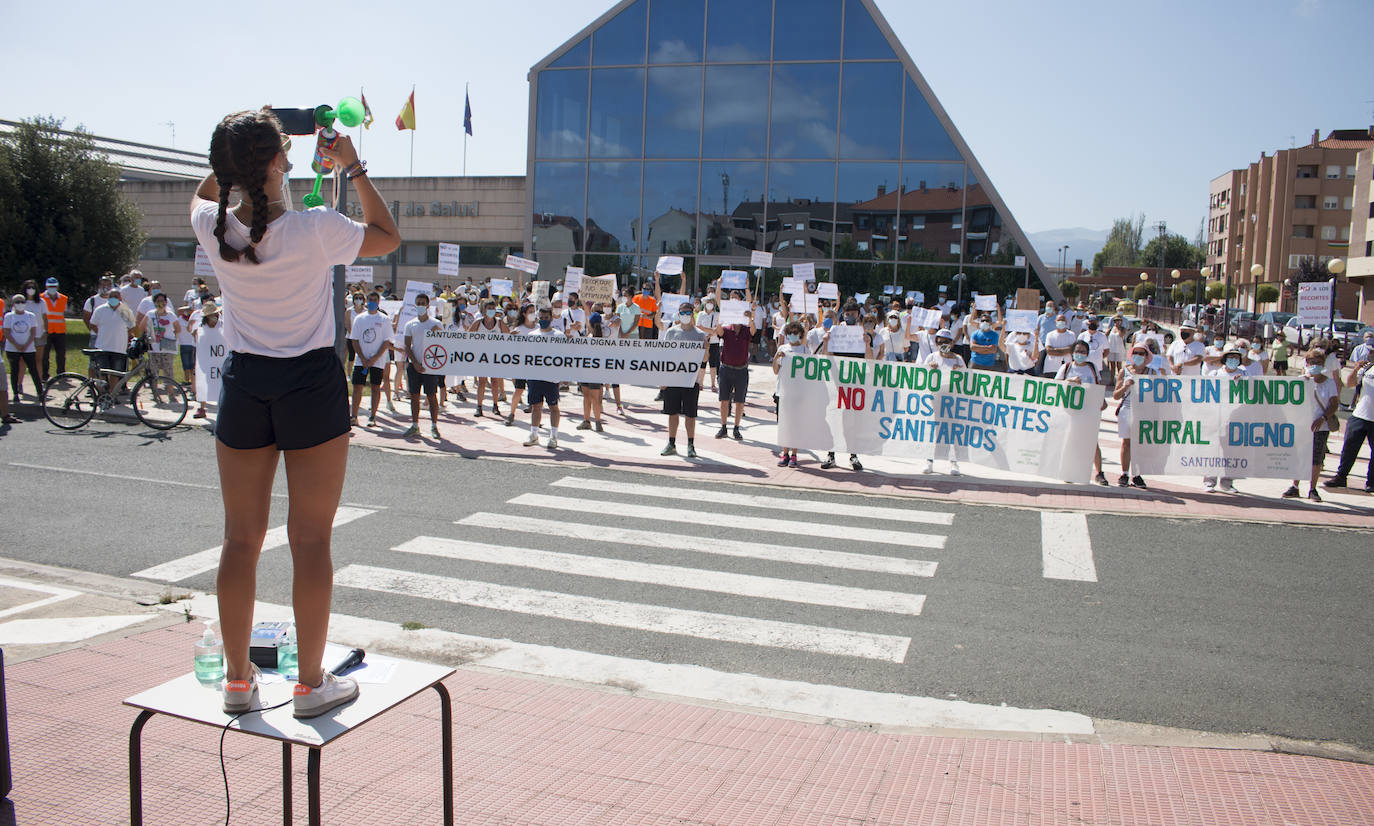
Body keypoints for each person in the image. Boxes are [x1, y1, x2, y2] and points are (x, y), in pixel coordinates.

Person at [190, 107, 399, 717]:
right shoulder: (315, 228)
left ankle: (236, 682)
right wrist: (352, 164)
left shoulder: (212, 224)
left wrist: (238, 150)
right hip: (309, 381)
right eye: (283, 152)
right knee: (310, 540)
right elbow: (387, 234)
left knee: (239, 540)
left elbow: (207, 188)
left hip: (246, 381)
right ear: (282, 163)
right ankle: (309, 683)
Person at [820, 300, 871, 470]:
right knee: (834, 418)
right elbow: (827, 358)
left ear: (858, 315)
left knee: (852, 421)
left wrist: (867, 344)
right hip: (837, 382)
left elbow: (870, 361)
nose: (850, 316)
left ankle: (853, 455)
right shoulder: (835, 331)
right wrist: (827, 342)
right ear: (843, 315)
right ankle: (831, 454)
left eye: (853, 314)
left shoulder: (863, 334)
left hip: (855, 382)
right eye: (847, 314)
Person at [1283, 348, 1339, 502]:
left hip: (1320, 426)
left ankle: (1312, 488)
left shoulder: (1329, 383)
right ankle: (1295, 485)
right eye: (1312, 362)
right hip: (1302, 426)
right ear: (1307, 363)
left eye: (1318, 362)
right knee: (1298, 456)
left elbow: (1334, 404)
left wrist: (1323, 418)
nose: (1315, 365)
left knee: (1316, 459)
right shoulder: (1301, 381)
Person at [1055, 340, 1108, 485]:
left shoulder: (1092, 367)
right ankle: (1068, 471)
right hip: (1071, 411)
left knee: (1092, 442)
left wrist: (1102, 400)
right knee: (1070, 440)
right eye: (1077, 351)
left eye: (1083, 352)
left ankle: (1099, 473)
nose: (1080, 354)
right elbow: (1056, 385)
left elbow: (1098, 385)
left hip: (1089, 409)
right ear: (1072, 353)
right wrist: (1070, 380)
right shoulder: (1066, 368)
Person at [658, 300, 707, 457]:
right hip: (673, 379)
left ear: (692, 314)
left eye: (688, 312)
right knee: (672, 413)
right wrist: (663, 379)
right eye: (682, 312)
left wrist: (705, 347)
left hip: (691, 380)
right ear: (678, 314)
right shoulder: (672, 332)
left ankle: (690, 445)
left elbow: (705, 359)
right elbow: (665, 357)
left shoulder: (699, 335)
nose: (685, 315)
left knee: (690, 414)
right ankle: (671, 443)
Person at [1323, 354, 1374, 493]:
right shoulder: (1368, 368)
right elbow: (1350, 383)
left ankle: (1372, 482)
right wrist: (1356, 368)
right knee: (1349, 449)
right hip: (1360, 415)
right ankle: (1341, 476)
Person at [713, 282, 756, 441]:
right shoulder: (726, 326)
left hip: (741, 369)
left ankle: (736, 428)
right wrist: (718, 322)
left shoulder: (746, 327)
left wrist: (750, 318)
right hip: (725, 368)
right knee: (724, 400)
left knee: (740, 402)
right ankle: (723, 427)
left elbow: (753, 330)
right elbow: (718, 332)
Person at [1203, 347, 1250, 494]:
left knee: (1231, 451)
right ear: (1225, 358)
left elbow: (1252, 393)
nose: (1233, 360)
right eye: (1231, 357)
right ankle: (1209, 481)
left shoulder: (1244, 374)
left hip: (1235, 418)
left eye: (1236, 358)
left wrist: (1243, 383)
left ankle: (1227, 483)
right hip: (1216, 417)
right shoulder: (1215, 374)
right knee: (1213, 450)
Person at [922, 329, 966, 475]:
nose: (943, 345)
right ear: (936, 343)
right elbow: (920, 377)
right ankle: (929, 461)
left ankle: (954, 463)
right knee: (934, 431)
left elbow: (967, 379)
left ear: (952, 343)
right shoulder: (931, 357)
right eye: (940, 342)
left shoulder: (958, 359)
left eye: (946, 342)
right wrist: (929, 369)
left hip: (952, 399)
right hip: (935, 399)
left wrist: (959, 371)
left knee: (951, 431)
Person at [521, 305, 564, 450]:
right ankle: (534, 435)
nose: (544, 320)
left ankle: (553, 436)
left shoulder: (558, 336)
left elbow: (564, 357)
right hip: (534, 377)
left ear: (551, 318)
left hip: (551, 378)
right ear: (538, 318)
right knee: (536, 406)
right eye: (542, 318)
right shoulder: (532, 335)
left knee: (553, 407)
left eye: (547, 318)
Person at [1112, 344, 1154, 488]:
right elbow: (1116, 395)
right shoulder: (1125, 371)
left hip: (1144, 410)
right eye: (1135, 352)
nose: (1138, 356)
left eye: (1141, 353)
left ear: (1146, 356)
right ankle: (1124, 473)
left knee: (1140, 444)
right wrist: (1125, 387)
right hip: (1127, 409)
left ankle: (1136, 474)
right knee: (1127, 442)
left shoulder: (1152, 372)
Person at [402, 293, 444, 439]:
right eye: (418, 303)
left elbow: (442, 343)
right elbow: (407, 346)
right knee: (414, 396)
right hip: (415, 366)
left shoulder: (436, 324)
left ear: (427, 305)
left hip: (430, 367)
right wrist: (415, 363)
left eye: (422, 303)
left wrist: (436, 333)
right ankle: (415, 425)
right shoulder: (410, 324)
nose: (420, 306)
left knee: (431, 396)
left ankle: (434, 425)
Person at [349, 292, 391, 428]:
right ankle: (354, 416)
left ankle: (372, 416)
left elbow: (386, 341)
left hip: (377, 362)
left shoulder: (384, 319)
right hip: (361, 361)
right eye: (370, 300)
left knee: (375, 388)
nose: (372, 302)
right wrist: (362, 357)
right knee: (357, 388)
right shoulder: (360, 319)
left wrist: (375, 358)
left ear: (379, 302)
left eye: (375, 300)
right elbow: (354, 339)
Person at [772, 320, 807, 467]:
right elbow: (775, 370)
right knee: (784, 423)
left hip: (798, 392)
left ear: (800, 334)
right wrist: (776, 357)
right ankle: (784, 453)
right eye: (790, 333)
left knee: (796, 424)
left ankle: (794, 454)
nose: (793, 335)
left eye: (795, 333)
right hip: (783, 391)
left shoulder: (805, 350)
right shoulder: (783, 348)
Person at [469, 298, 507, 418]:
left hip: (496, 357)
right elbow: (467, 337)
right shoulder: (478, 323)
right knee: (482, 381)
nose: (491, 310)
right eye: (489, 308)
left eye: (493, 308)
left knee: (495, 382)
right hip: (482, 357)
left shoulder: (500, 322)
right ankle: (479, 406)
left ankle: (495, 405)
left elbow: (509, 336)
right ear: (484, 310)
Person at [87, 287, 135, 378]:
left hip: (119, 349)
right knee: (102, 374)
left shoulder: (127, 311)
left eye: (116, 296)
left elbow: (132, 327)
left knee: (115, 374)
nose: (114, 298)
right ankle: (102, 392)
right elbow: (92, 324)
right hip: (102, 347)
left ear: (120, 298)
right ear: (108, 297)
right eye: (111, 296)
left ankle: (113, 392)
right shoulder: (100, 309)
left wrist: (123, 337)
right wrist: (100, 333)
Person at [137, 292, 181, 383]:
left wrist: (173, 339)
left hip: (167, 347)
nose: (160, 303)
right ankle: (155, 393)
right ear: (154, 303)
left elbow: (178, 329)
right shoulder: (150, 314)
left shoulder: (171, 315)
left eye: (162, 300)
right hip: (154, 347)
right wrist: (149, 333)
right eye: (158, 301)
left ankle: (170, 392)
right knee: (154, 373)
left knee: (168, 372)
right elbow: (141, 327)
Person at [4, 295, 41, 400]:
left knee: (33, 370)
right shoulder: (9, 316)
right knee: (14, 370)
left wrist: (26, 344)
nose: (20, 304)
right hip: (12, 348)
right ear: (13, 304)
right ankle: (15, 393)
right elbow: (6, 332)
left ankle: (40, 392)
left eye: (22, 302)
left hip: (28, 348)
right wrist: (16, 344)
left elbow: (33, 332)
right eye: (17, 302)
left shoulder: (30, 316)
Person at [576, 312, 607, 433]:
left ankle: (590, 420)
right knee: (593, 397)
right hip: (593, 371)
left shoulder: (591, 337)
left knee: (588, 397)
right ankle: (593, 421)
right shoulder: (601, 337)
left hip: (589, 370)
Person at [191, 303, 223, 419]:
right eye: (212, 315)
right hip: (207, 360)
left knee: (220, 385)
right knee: (205, 384)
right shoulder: (201, 327)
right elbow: (198, 343)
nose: (215, 316)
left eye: (216, 314)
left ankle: (221, 410)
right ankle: (202, 408)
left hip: (220, 360)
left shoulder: (223, 325)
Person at [39, 277, 69, 380]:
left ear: (57, 287)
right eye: (50, 286)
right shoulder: (40, 298)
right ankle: (44, 375)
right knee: (44, 355)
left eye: (54, 286)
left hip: (60, 330)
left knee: (61, 355)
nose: (52, 288)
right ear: (46, 286)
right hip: (46, 330)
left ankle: (61, 374)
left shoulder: (63, 298)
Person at [1041, 313, 1076, 377]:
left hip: (1067, 368)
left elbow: (1072, 350)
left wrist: (1055, 350)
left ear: (1066, 322)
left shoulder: (1071, 334)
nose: (1061, 322)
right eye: (1059, 320)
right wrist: (1066, 350)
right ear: (1055, 322)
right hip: (1051, 368)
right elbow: (1049, 351)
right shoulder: (1050, 335)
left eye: (1062, 320)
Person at [175, 304, 198, 386]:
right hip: (192, 343)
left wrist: (187, 307)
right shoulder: (194, 319)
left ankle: (187, 379)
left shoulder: (180, 320)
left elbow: (178, 310)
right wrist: (191, 308)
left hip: (184, 344)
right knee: (192, 364)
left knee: (185, 363)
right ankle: (192, 380)